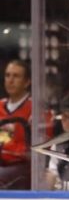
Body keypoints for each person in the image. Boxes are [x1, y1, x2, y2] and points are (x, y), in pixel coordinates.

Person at [0, 60, 32, 189]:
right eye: (7, 75)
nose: (10, 80)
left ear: (27, 82)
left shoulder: (35, 109)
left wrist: (8, 150)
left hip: (23, 167)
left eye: (16, 76)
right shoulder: (0, 106)